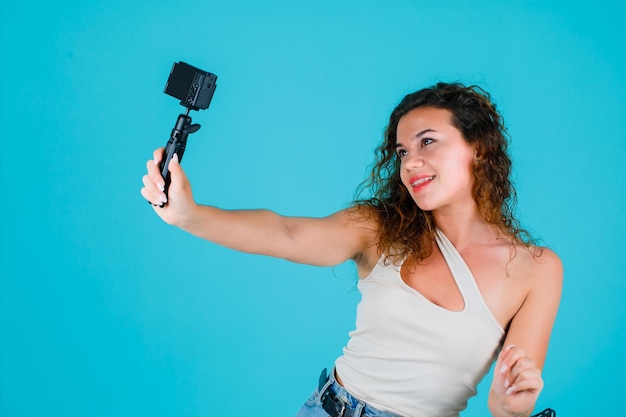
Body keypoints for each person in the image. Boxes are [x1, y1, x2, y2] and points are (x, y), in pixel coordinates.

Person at [141, 82, 562, 417]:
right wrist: (189, 215)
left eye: (427, 142)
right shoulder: (380, 228)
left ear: (479, 148)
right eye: (402, 152)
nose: (411, 162)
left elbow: (508, 403)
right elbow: (285, 234)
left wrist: (512, 404)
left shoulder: (536, 270)